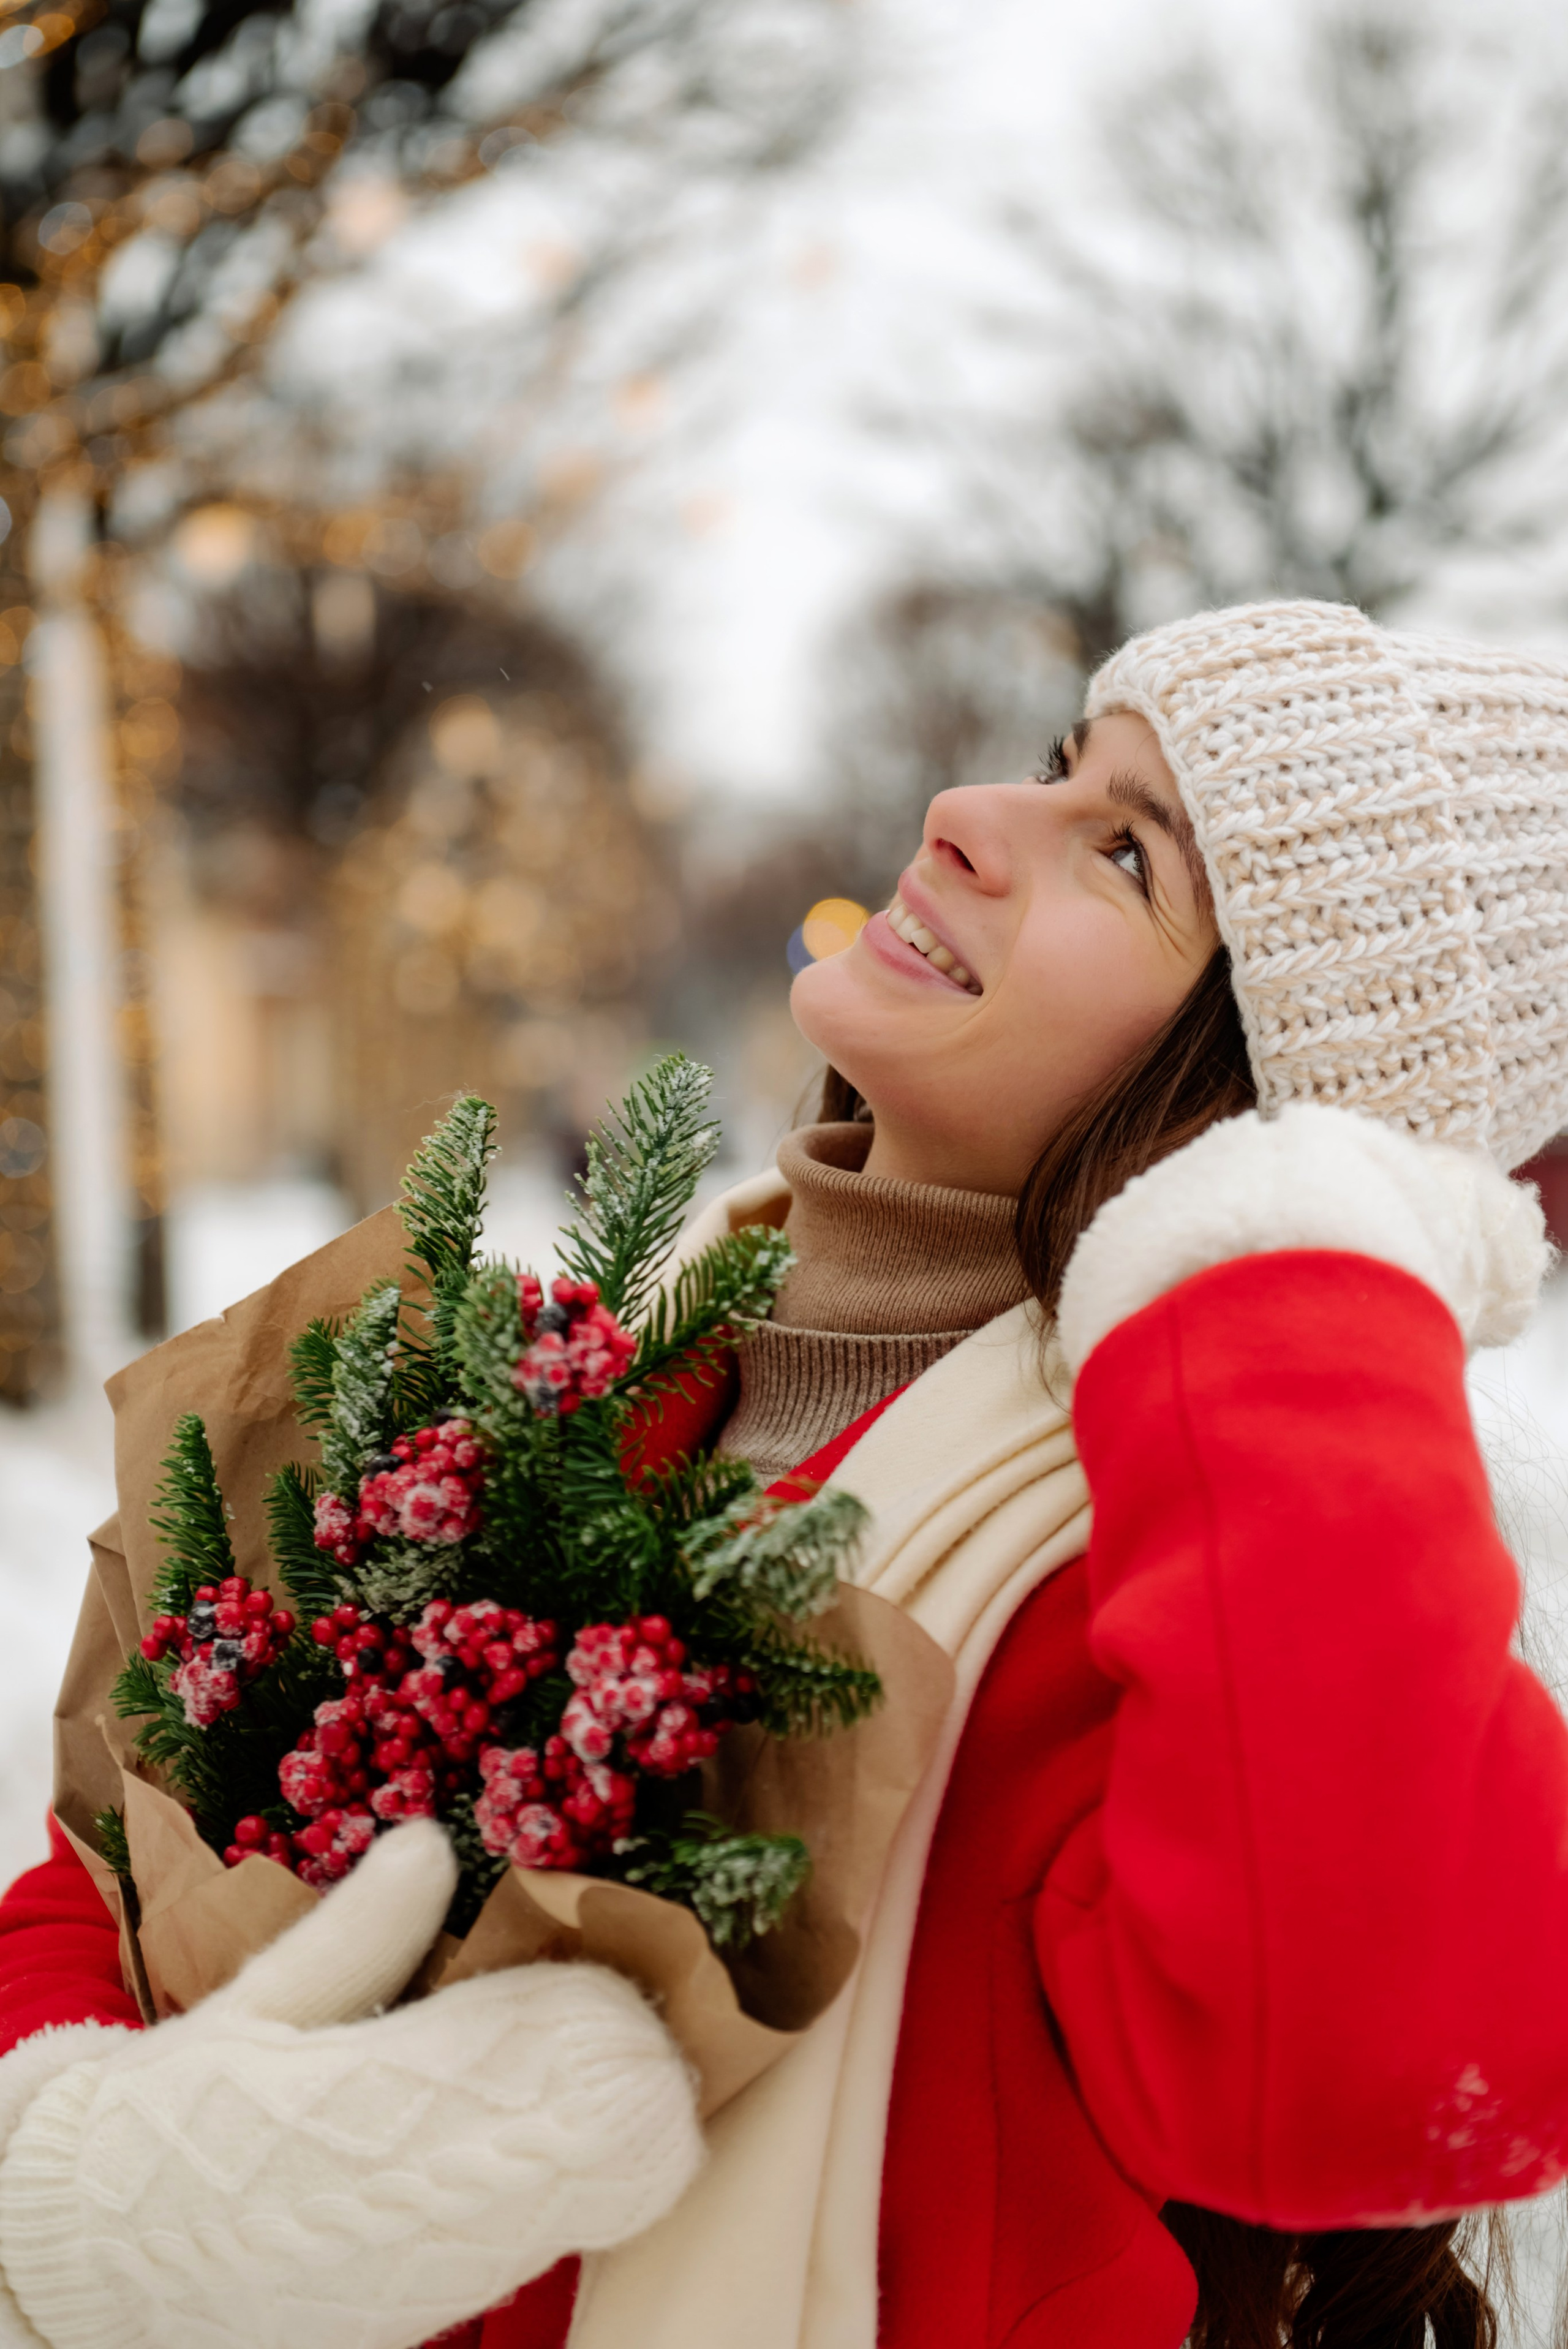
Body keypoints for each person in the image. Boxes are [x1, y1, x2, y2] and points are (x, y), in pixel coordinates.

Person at [0, 596, 1562, 2349]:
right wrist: (70, 2152)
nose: (969, 809)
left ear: (1266, 1109)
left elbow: (1372, 2063)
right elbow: (121, 1859)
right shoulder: (554, 1383)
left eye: (1126, 855)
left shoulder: (1160, 1595)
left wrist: (1289, 1273)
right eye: (1063, 767)